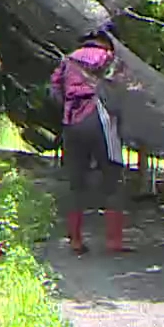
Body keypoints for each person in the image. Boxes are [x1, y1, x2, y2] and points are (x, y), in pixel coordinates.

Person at [49, 27, 131, 256]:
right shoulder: (109, 58)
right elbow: (123, 88)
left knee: (76, 182)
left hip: (72, 122)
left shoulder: (68, 60)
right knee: (113, 177)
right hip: (100, 119)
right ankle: (114, 241)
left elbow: (54, 89)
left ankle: (75, 240)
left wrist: (67, 107)